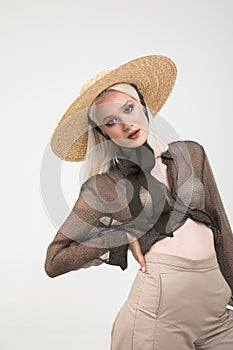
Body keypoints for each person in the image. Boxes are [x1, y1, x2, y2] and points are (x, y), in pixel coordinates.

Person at [44, 55, 233, 349]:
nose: (126, 124)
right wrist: (118, 235)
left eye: (129, 109)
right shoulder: (104, 187)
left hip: (217, 315)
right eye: (111, 121)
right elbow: (54, 261)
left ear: (142, 105)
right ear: (102, 133)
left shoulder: (192, 154)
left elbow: (222, 229)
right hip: (158, 317)